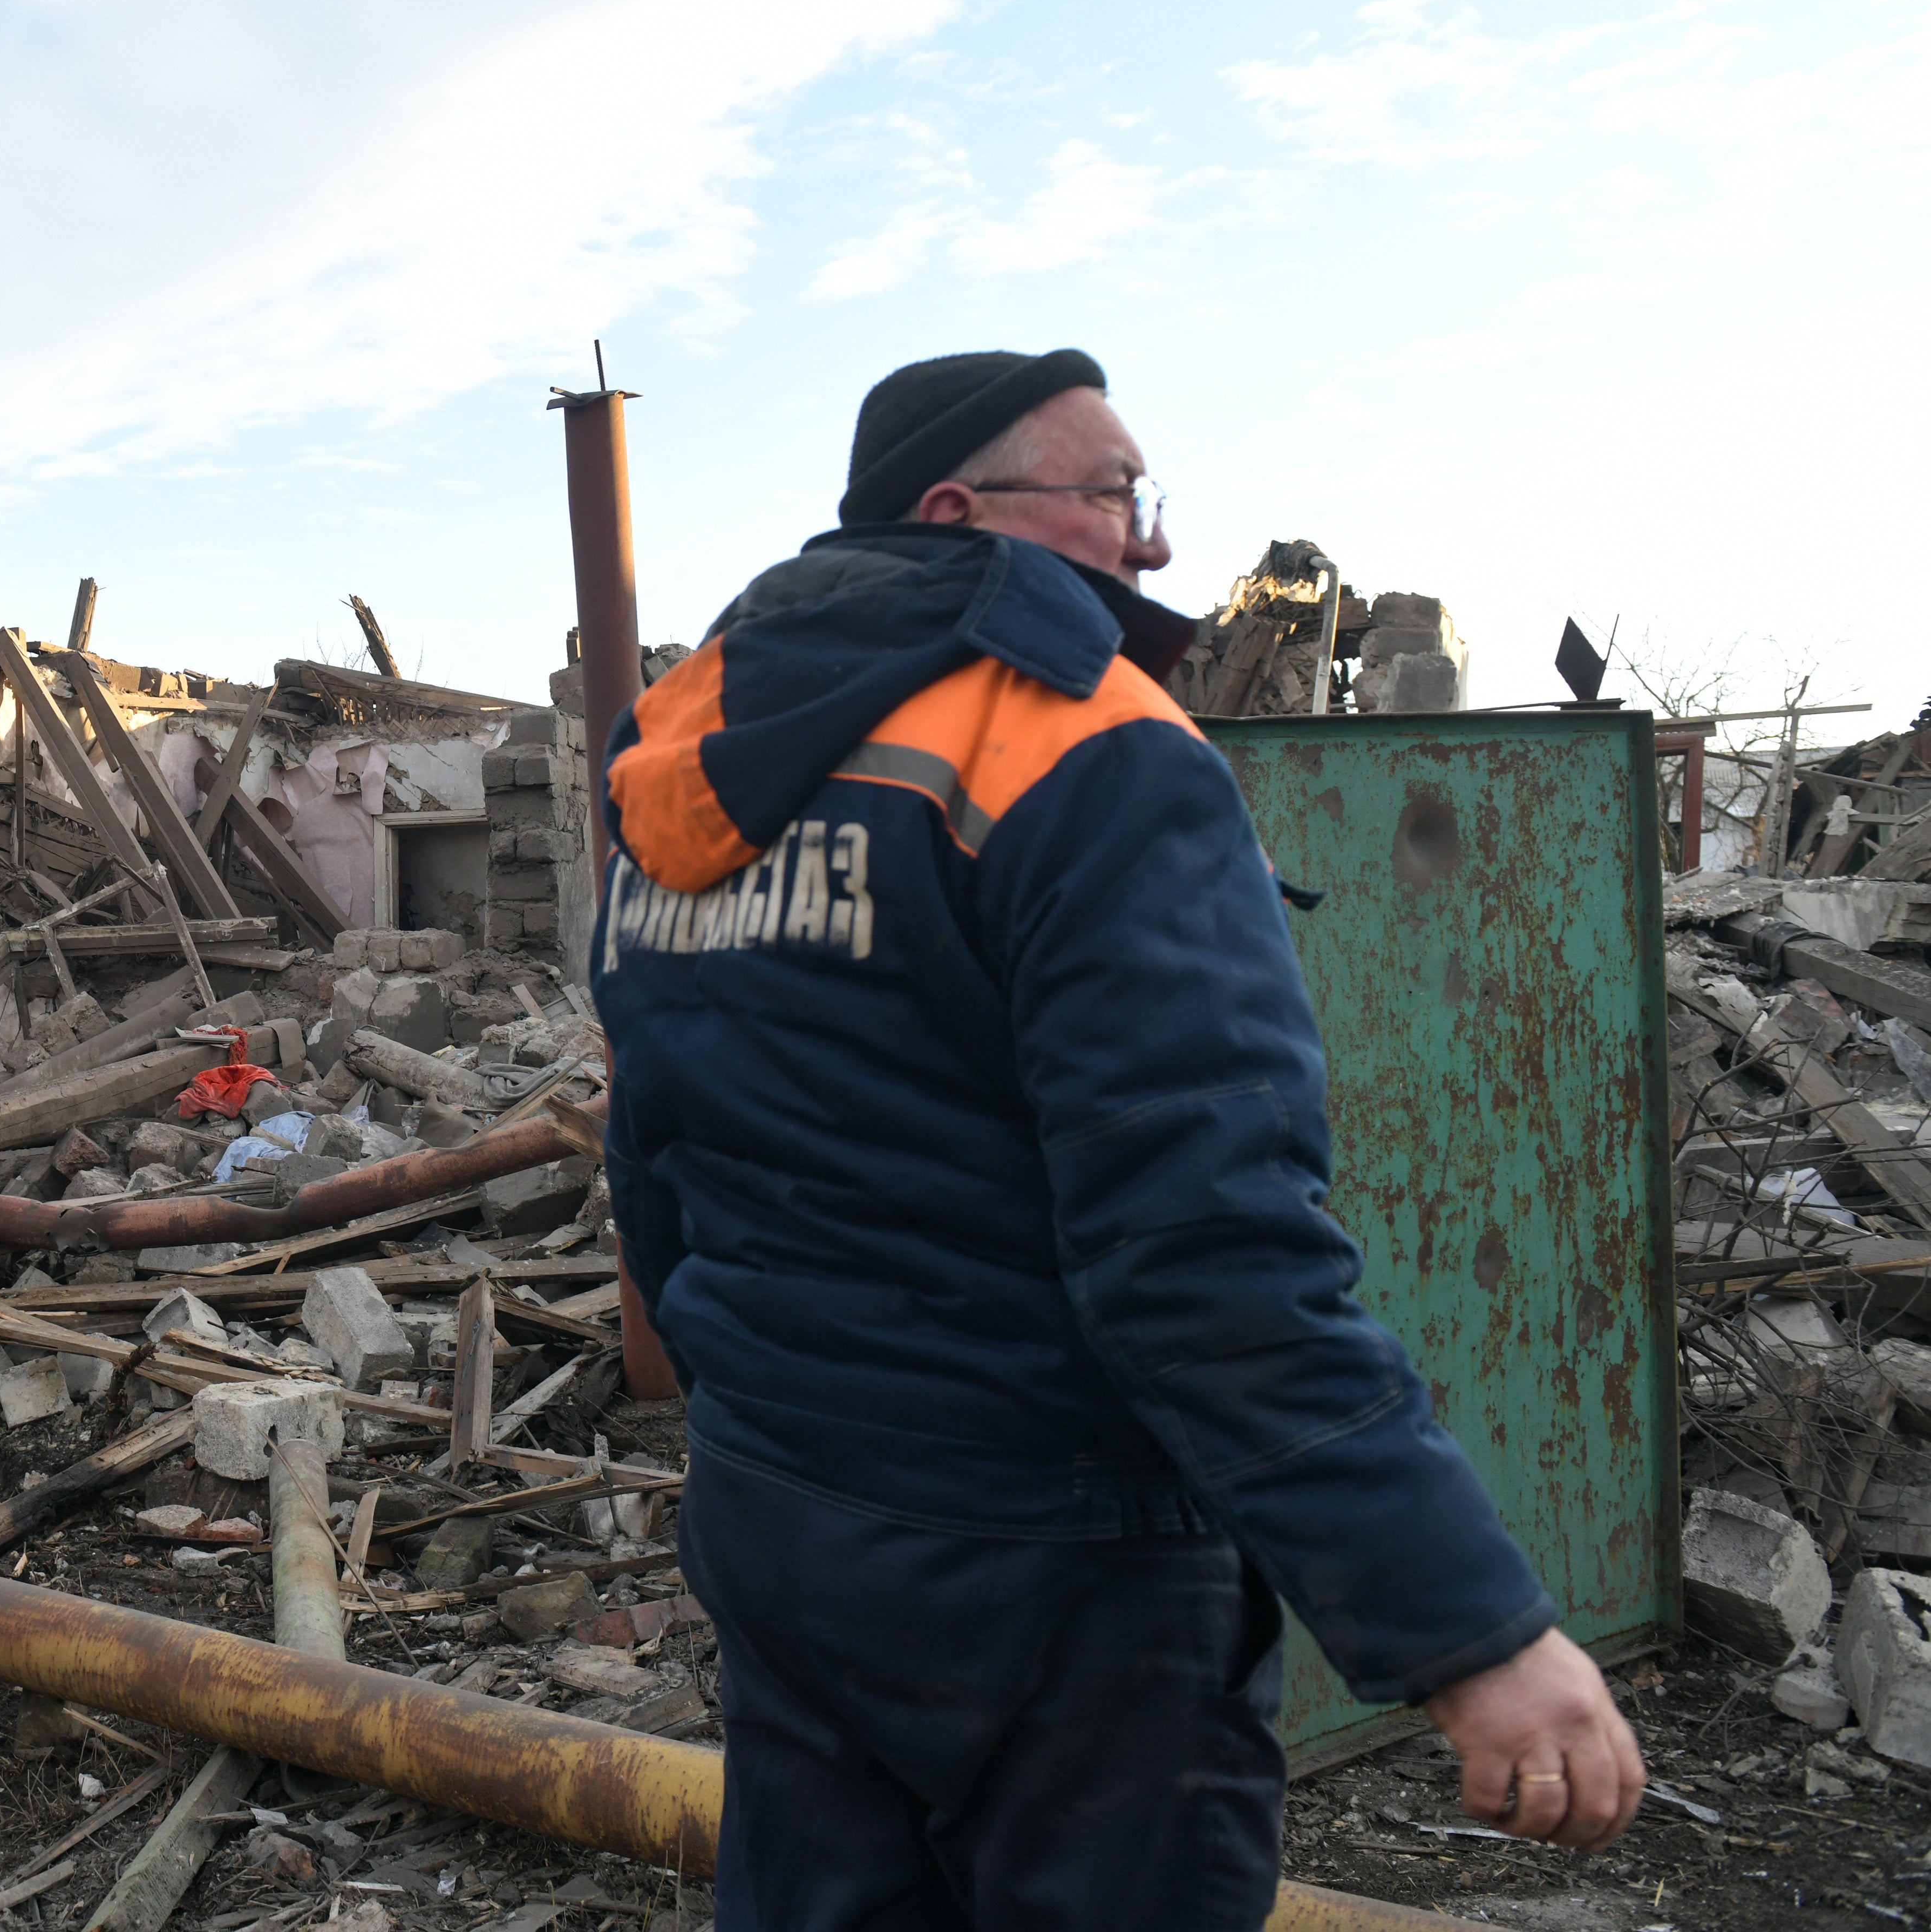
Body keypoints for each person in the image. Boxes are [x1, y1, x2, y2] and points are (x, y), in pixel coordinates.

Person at [588, 349, 1642, 1930]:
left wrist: (749, 1406)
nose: (1148, 544)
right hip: (1054, 1556)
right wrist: (1471, 1635)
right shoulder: (1088, 747)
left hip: (783, 1508)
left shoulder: (685, 762)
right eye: (1112, 496)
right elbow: (1205, 1246)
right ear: (962, 512)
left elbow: (652, 1157)